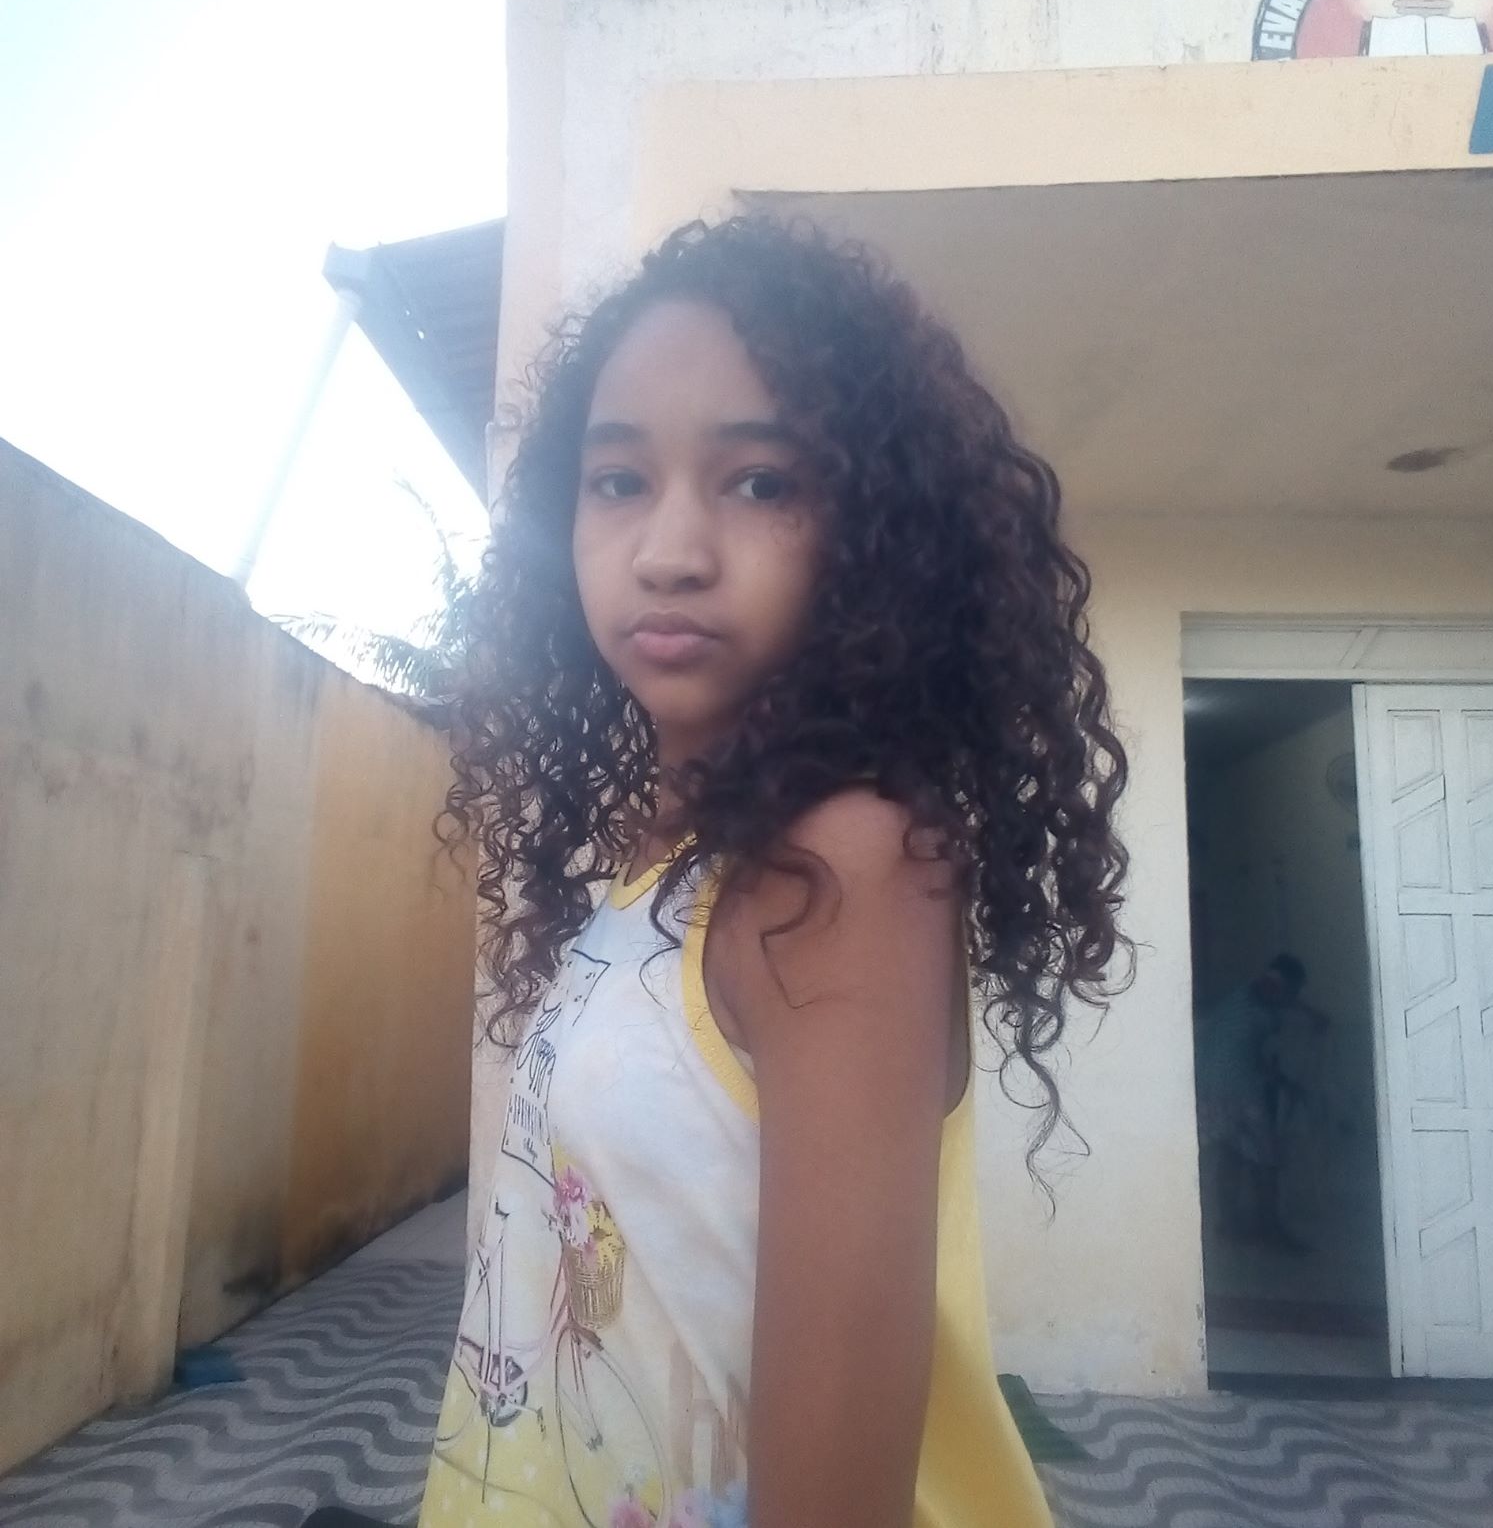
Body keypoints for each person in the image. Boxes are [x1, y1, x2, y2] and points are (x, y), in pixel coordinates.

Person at [419, 216, 1129, 1528]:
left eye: (757, 483)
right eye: (618, 480)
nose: (669, 550)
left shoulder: (841, 864)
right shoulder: (665, 861)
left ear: (872, 533)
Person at [1194, 953, 1313, 1253]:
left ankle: (1230, 1224)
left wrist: (1309, 1011)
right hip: (1235, 1089)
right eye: (1291, 990)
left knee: (1231, 1153)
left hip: (1211, 1086)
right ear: (1283, 985)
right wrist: (1288, 1082)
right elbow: (1265, 1057)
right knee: (1265, 1159)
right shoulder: (1260, 1006)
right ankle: (1269, 1228)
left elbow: (1280, 1005)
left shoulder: (1244, 995)